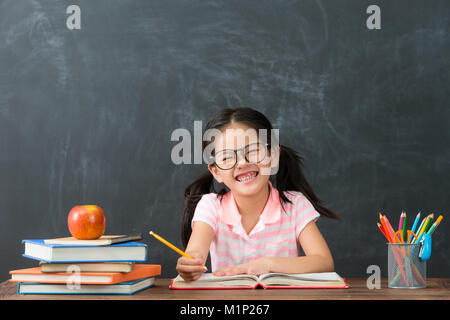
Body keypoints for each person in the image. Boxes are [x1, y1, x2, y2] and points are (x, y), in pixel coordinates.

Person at [176, 107, 340, 281]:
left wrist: (268, 264)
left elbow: (324, 262)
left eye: (253, 151)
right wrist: (190, 264)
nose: (242, 163)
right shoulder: (210, 206)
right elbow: (195, 253)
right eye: (226, 157)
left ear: (273, 155)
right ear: (216, 172)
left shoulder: (295, 204)